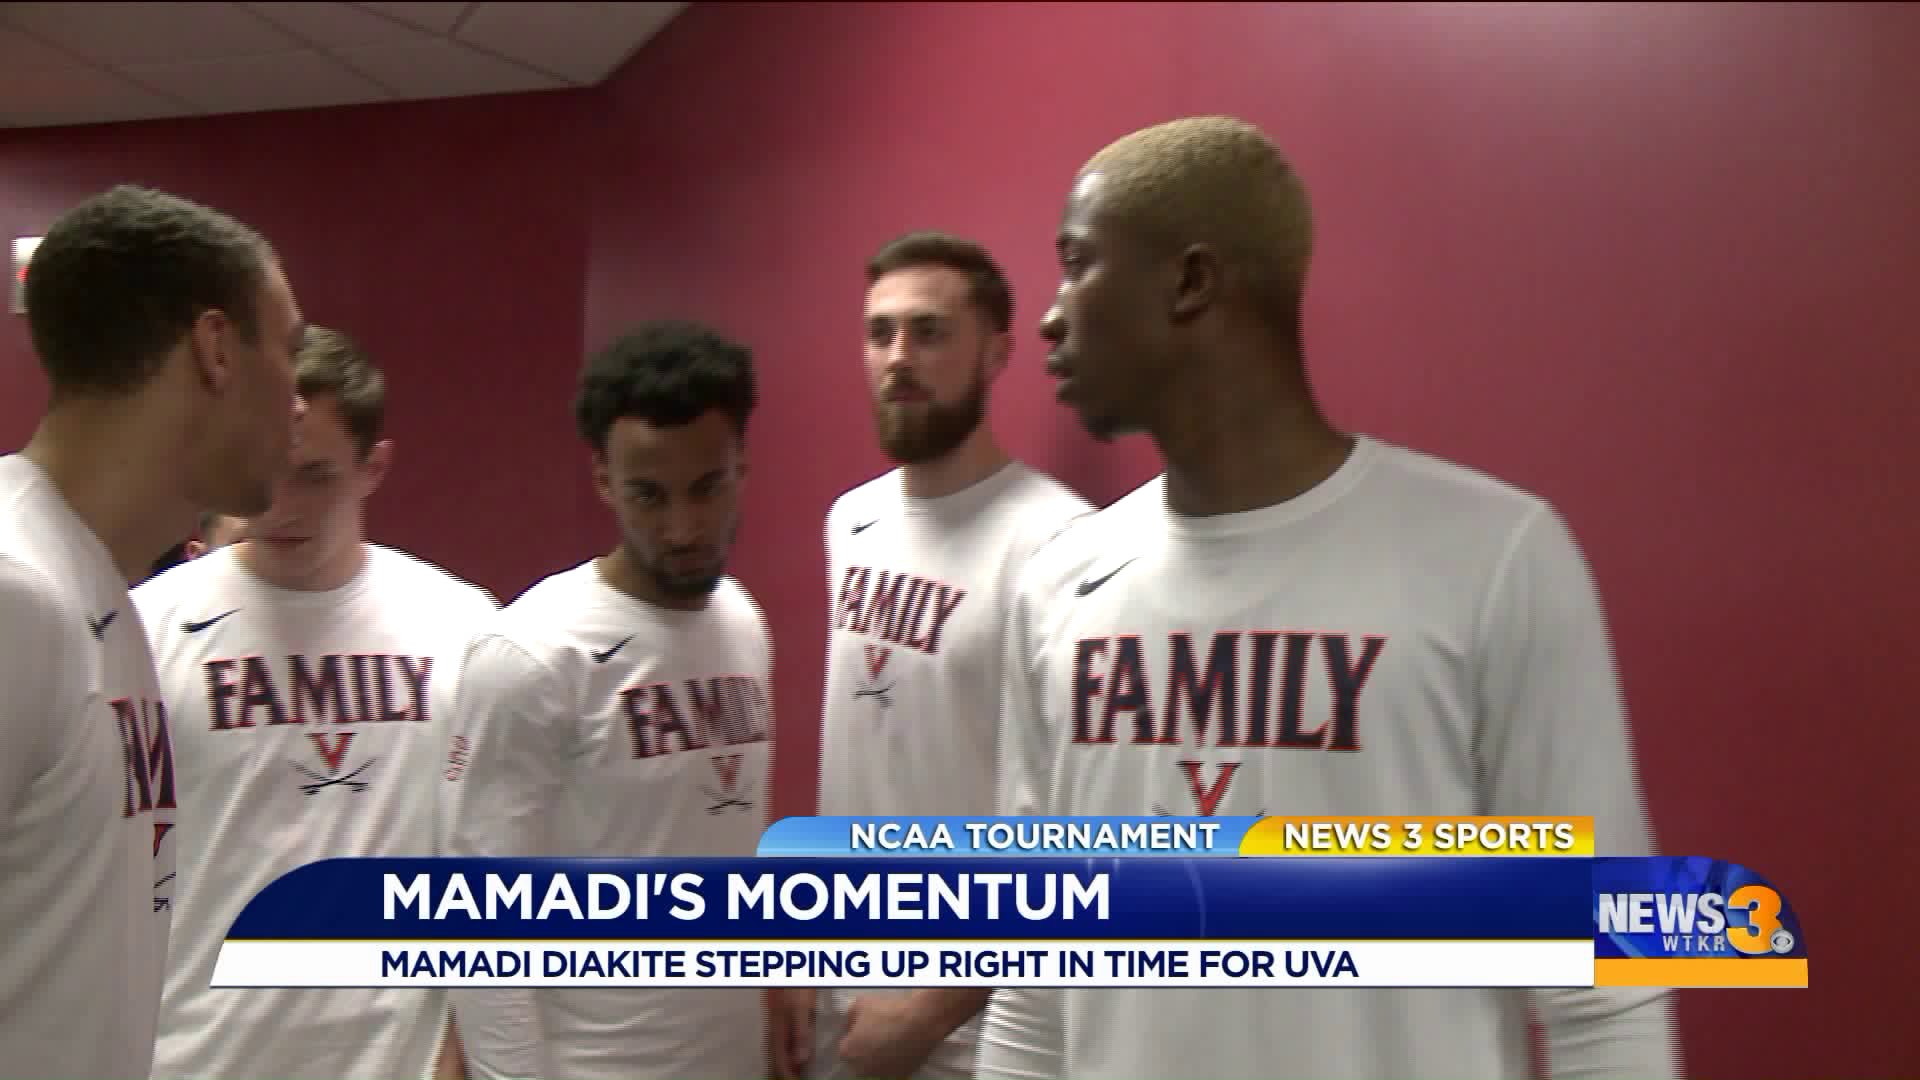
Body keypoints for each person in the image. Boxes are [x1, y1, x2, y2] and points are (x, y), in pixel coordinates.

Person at [979, 116, 1683, 1080]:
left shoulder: (1492, 560)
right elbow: (1033, 978)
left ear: (1190, 282)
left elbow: (1609, 985)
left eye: (1078, 265)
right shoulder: (1058, 584)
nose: (1051, 318)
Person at [131, 327, 495, 1080]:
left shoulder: (461, 626)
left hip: (395, 1057)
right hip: (200, 1052)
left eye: (315, 476)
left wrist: (466, 1043)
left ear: (373, 467)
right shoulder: (148, 628)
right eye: (266, 469)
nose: (280, 505)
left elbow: (491, 857)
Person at [0, 185, 304, 1080]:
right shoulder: (16, 594)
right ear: (217, 350)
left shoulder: (106, 596)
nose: (298, 401)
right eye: (289, 351)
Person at [779, 232, 1092, 1080]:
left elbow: (1070, 824)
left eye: (929, 332)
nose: (898, 358)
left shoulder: (1061, 544)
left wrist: (928, 1008)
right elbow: (863, 755)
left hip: (976, 1027)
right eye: (880, 333)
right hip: (841, 1001)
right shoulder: (852, 522)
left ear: (996, 353)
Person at [440, 320, 776, 1080]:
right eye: (649, 495)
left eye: (707, 487)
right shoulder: (532, 653)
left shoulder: (743, 623)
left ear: (742, 466)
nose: (683, 527)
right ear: (603, 479)